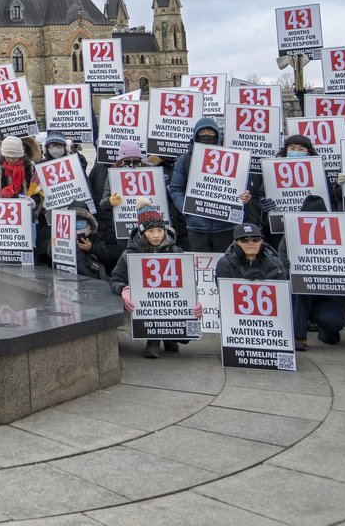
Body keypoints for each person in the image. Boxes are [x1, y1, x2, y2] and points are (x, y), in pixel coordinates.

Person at [110, 201, 190, 359]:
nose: (156, 235)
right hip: (145, 304)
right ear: (142, 233)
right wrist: (124, 290)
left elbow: (188, 281)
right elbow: (115, 279)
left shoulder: (176, 252)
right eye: (151, 231)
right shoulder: (129, 254)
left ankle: (170, 338)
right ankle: (152, 341)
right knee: (151, 299)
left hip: (171, 304)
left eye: (160, 230)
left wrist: (194, 299)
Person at [167, 117, 255, 252]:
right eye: (202, 132)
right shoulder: (184, 160)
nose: (207, 135)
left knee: (226, 267)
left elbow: (245, 189)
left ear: (217, 135)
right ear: (195, 135)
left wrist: (245, 198)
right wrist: (186, 208)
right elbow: (175, 188)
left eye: (211, 131)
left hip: (226, 226)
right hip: (196, 228)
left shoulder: (233, 158)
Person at [282, 196, 345, 351]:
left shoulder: (343, 236)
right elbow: (279, 270)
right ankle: (299, 336)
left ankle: (323, 325)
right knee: (301, 285)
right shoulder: (290, 235)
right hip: (301, 293)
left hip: (329, 294)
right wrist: (285, 267)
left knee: (333, 329)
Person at [215, 222, 287, 282]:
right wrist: (244, 281)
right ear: (235, 243)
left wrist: (264, 281)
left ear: (261, 242)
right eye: (244, 239)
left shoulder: (276, 263)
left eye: (255, 239)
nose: (251, 243)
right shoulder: (225, 264)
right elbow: (225, 292)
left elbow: (281, 293)